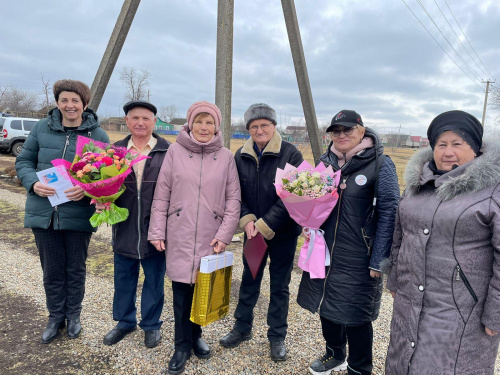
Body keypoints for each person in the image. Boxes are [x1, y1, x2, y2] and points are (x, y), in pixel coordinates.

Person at [384, 110, 500, 375]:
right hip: (409, 301)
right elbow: (399, 236)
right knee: (403, 362)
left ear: (475, 148)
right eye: (442, 144)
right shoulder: (417, 184)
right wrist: (393, 278)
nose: (448, 152)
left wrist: (496, 312)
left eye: (458, 144)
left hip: (461, 310)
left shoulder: (492, 190)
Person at [297, 110, 400, 375]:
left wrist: (379, 259)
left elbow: (390, 212)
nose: (341, 135)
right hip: (325, 251)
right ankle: (335, 354)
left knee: (356, 315)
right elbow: (311, 204)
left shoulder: (380, 163)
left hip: (359, 255)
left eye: (348, 130)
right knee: (326, 306)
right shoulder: (325, 162)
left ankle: (359, 367)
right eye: (336, 131)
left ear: (362, 132)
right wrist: (307, 226)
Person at [148, 101, 240, 375]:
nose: (203, 127)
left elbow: (233, 199)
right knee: (180, 292)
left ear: (216, 127)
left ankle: (196, 336)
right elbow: (162, 193)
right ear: (189, 124)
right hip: (179, 231)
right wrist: (156, 230)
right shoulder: (174, 152)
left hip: (211, 237)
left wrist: (225, 233)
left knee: (203, 290)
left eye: (209, 122)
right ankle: (181, 346)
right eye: (199, 121)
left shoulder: (226, 157)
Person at [15, 79, 109, 343]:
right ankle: (55, 317)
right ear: (58, 102)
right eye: (65, 100)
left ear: (85, 104)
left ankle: (74, 316)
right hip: (44, 214)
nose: (70, 105)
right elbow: (23, 160)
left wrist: (88, 189)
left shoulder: (97, 136)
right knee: (52, 270)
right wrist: (33, 182)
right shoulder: (41, 128)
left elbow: (103, 176)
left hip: (78, 214)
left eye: (75, 101)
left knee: (75, 269)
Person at [219, 103, 303, 362]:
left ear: (273, 126)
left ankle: (277, 336)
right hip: (252, 232)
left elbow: (294, 196)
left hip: (283, 232)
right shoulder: (240, 156)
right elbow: (235, 193)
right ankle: (242, 327)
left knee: (279, 286)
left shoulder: (291, 154)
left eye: (264, 125)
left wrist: (266, 224)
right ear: (248, 130)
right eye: (254, 126)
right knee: (249, 279)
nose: (259, 130)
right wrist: (247, 221)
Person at [101, 101, 170, 348]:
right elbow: (102, 185)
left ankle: (151, 325)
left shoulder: (168, 151)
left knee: (154, 279)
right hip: (125, 224)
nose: (140, 122)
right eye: (135, 118)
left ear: (154, 122)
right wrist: (101, 201)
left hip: (156, 228)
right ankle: (124, 322)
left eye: (146, 118)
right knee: (123, 278)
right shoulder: (114, 150)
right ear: (127, 121)